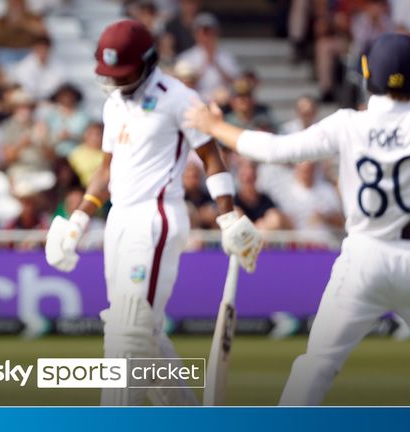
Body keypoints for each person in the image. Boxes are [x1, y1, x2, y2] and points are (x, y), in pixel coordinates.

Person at [184, 33, 410, 405]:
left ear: (366, 73)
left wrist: (214, 126)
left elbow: (275, 149)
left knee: (317, 365)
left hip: (363, 260)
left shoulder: (346, 125)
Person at [44, 20, 262, 406]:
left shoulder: (179, 98)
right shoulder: (114, 103)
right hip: (119, 220)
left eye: (124, 73)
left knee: (128, 332)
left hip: (156, 218)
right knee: (140, 329)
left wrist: (228, 217)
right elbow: (106, 170)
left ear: (147, 62)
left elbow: (212, 158)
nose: (117, 81)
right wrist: (78, 220)